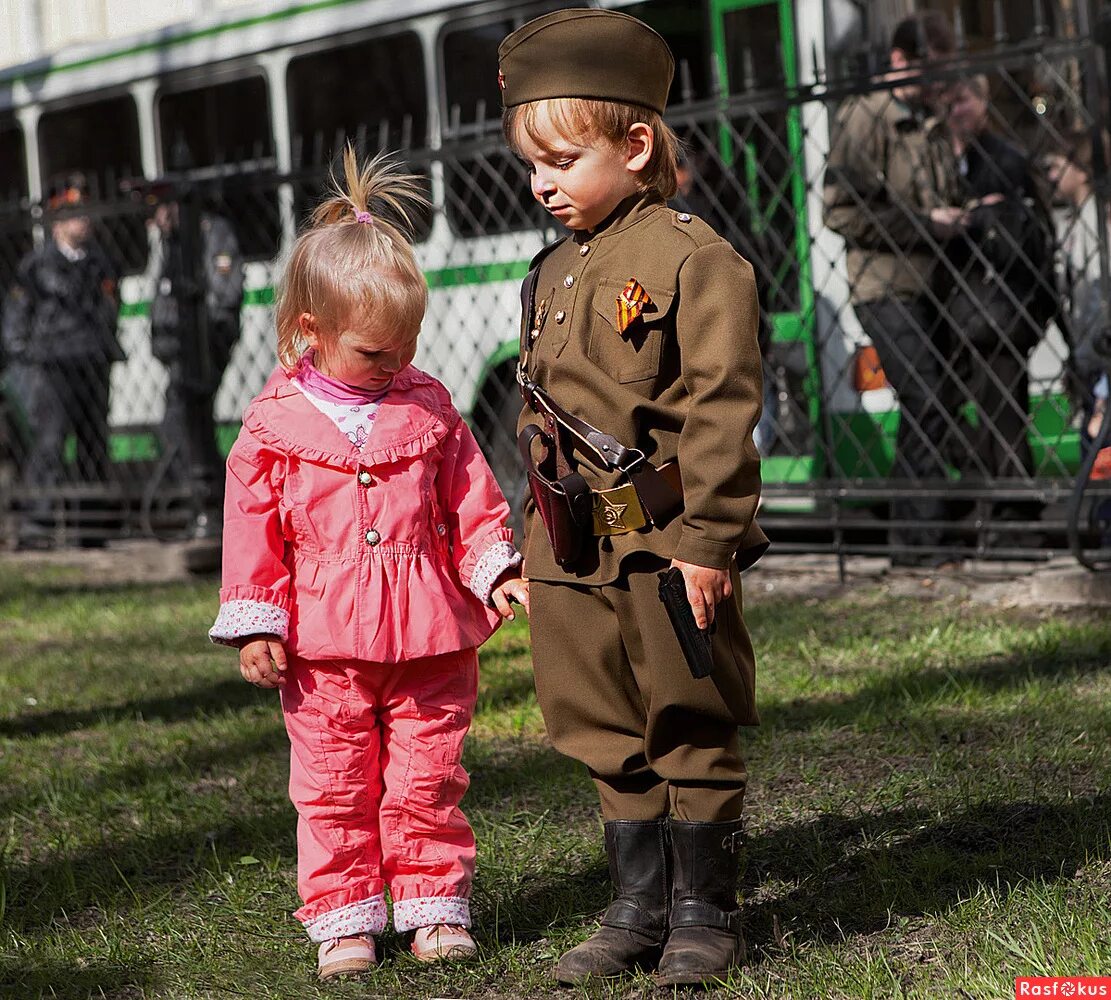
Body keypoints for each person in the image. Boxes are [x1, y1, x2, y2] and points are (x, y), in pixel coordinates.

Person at [207, 148, 529, 980]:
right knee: (334, 782)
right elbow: (253, 531)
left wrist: (492, 568)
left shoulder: (429, 411)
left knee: (428, 773)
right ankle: (345, 916)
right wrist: (256, 622)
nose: (397, 364)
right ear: (310, 333)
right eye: (374, 352)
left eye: (408, 345)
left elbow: (470, 498)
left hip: (428, 631)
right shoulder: (272, 428)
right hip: (323, 646)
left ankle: (432, 902)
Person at [499, 9, 767, 986]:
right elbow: (539, 417)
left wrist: (708, 541)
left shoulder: (695, 261)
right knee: (598, 722)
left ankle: (702, 912)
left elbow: (721, 414)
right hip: (570, 551)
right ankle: (634, 908)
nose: (540, 182)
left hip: (663, 545)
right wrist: (529, 542)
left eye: (563, 159)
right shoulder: (548, 271)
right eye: (531, 161)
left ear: (637, 143)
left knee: (688, 716)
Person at [823, 11, 965, 567]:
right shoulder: (867, 116)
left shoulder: (927, 116)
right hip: (882, 284)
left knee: (929, 404)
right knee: (926, 399)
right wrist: (925, 223)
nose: (939, 82)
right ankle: (920, 543)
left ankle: (912, 540)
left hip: (928, 282)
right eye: (931, 68)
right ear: (901, 61)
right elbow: (839, 208)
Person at [937, 75, 1056, 536]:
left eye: (964, 100)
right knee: (958, 407)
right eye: (949, 103)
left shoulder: (1003, 157)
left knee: (1003, 409)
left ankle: (1017, 512)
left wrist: (975, 214)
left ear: (984, 104)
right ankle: (992, 501)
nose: (956, 111)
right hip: (959, 305)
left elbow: (1020, 231)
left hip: (1000, 305)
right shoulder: (947, 159)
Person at [0, 173, 122, 548]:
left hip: (92, 361)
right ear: (56, 220)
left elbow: (108, 310)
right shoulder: (37, 265)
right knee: (49, 442)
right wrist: (27, 358)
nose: (81, 220)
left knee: (93, 441)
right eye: (72, 212)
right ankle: (39, 523)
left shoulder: (102, 262)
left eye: (84, 211)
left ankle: (92, 524)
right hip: (52, 365)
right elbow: (17, 318)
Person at [149, 194, 244, 539]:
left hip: (206, 344)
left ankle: (207, 501)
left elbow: (225, 289)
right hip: (180, 347)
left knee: (184, 421)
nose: (156, 217)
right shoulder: (172, 239)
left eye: (159, 207)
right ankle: (200, 501)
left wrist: (205, 332)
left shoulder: (211, 231)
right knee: (183, 423)